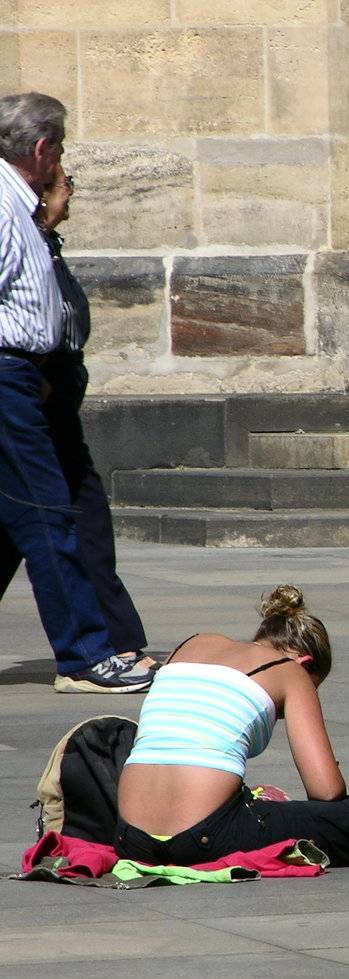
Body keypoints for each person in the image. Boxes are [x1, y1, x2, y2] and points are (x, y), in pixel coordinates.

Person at [0, 91, 148, 694]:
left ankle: (104, 643)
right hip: (9, 377)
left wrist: (48, 226)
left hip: (33, 378)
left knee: (48, 512)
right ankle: (85, 656)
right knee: (47, 516)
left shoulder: (21, 205)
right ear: (42, 149)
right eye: (59, 149)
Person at [115, 586, 349, 867]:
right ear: (304, 662)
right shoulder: (289, 671)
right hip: (204, 838)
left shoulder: (193, 643)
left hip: (130, 838)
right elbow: (326, 792)